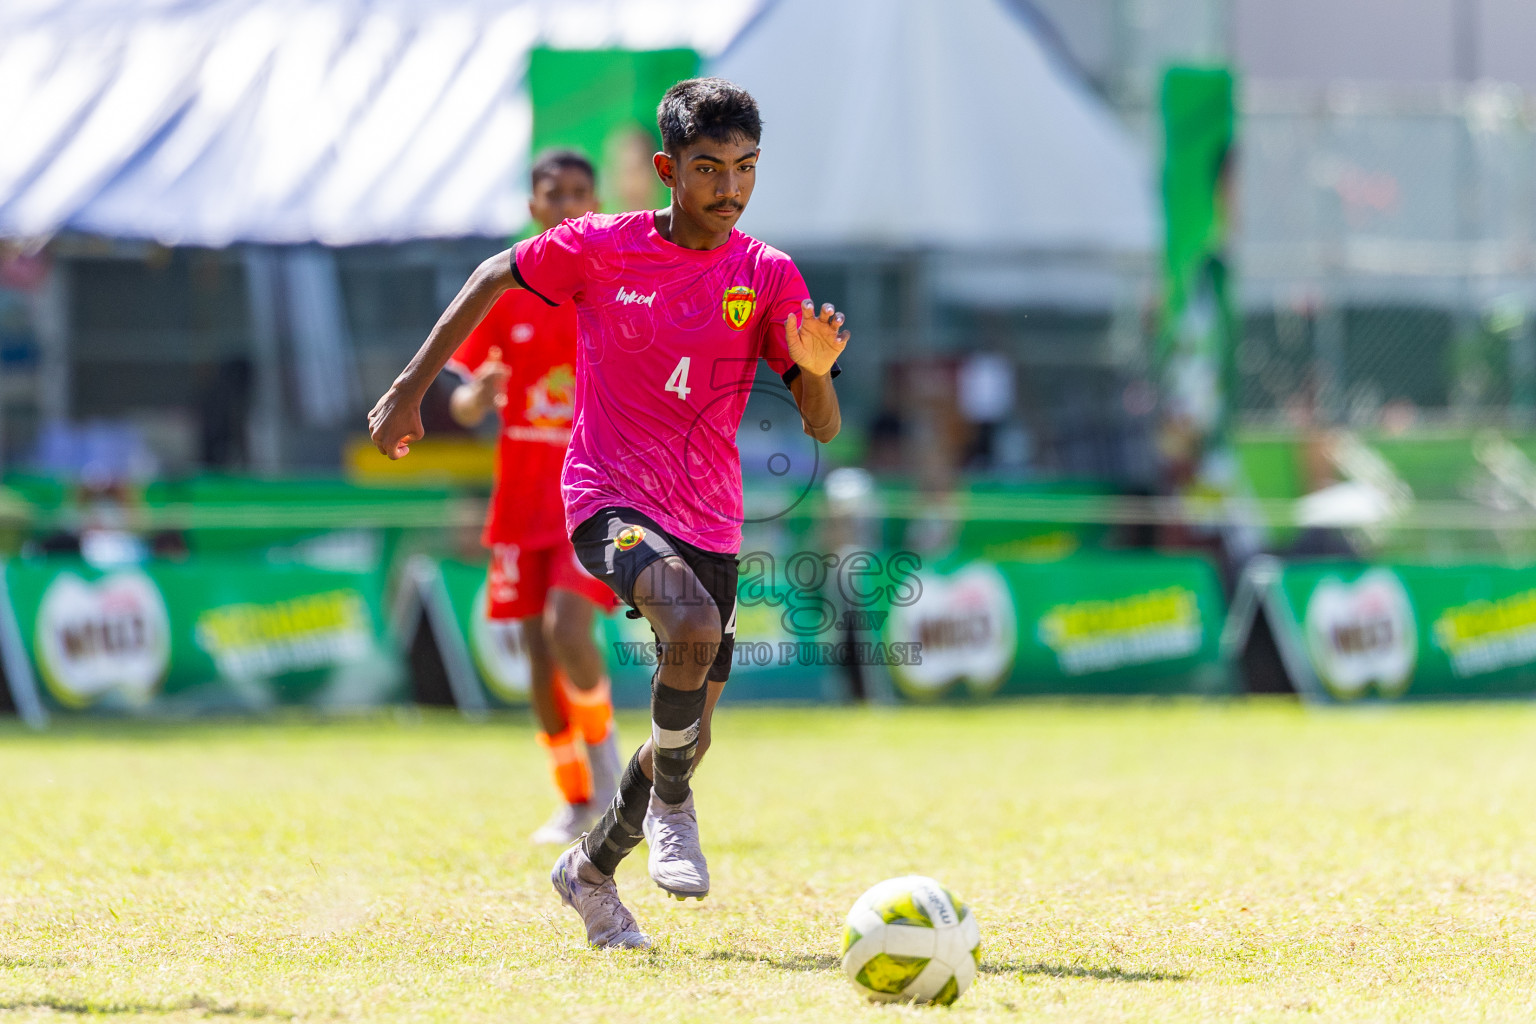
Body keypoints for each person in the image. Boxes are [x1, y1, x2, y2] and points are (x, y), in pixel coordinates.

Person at [368, 77, 848, 950]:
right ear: (668, 169)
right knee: (688, 629)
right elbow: (490, 274)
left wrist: (813, 369)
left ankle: (590, 871)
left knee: (689, 733)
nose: (729, 189)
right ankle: (670, 807)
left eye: (745, 169)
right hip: (605, 494)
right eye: (708, 169)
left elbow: (821, 425)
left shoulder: (769, 273)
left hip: (712, 518)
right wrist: (410, 392)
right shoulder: (601, 247)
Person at [444, 149, 622, 846]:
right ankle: (574, 798)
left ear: (596, 200)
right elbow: (461, 403)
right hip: (521, 499)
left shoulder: (614, 284)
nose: (570, 203)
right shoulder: (505, 288)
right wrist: (475, 397)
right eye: (556, 193)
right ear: (534, 205)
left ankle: (611, 778)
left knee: (567, 629)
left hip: (595, 493)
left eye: (582, 192)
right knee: (536, 655)